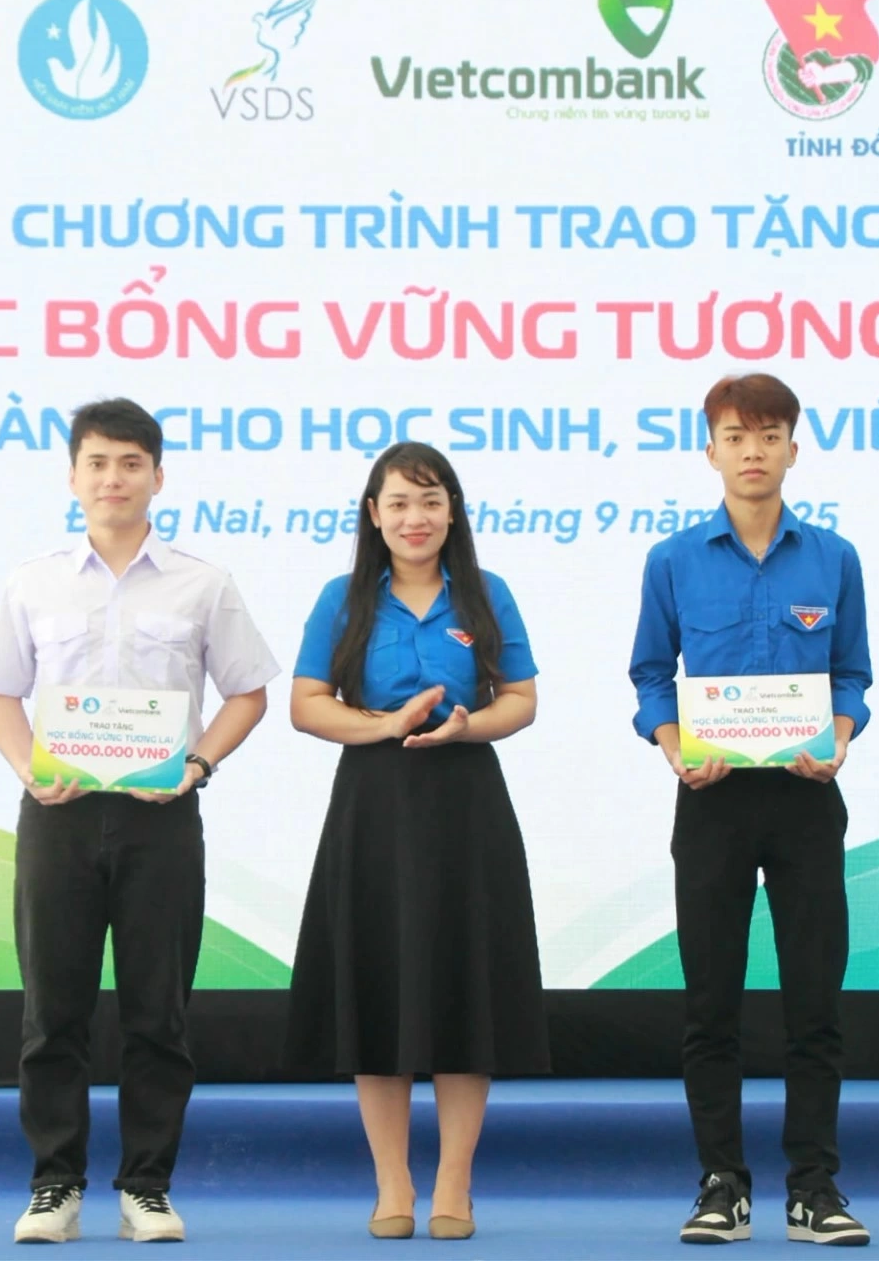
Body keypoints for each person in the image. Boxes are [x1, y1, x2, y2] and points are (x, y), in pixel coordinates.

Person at [0, 399, 280, 1245]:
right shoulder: (32, 580)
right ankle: (54, 1186)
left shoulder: (202, 581)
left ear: (157, 476)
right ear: (73, 476)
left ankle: (147, 1185)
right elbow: (0, 693)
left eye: (131, 464)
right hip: (59, 820)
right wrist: (31, 770)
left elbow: (249, 692)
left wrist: (197, 764)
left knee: (158, 1012)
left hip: (160, 822)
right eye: (98, 463)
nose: (114, 479)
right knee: (53, 1011)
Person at [628, 373, 874, 1247]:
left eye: (770, 437)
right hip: (714, 802)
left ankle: (814, 1188)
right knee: (711, 1004)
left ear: (794, 449)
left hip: (808, 798)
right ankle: (721, 1184)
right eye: (735, 437)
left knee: (815, 1002)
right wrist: (675, 747)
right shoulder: (674, 559)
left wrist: (839, 736)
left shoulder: (834, 557)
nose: (753, 452)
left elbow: (851, 673)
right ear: (711, 451)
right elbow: (652, 676)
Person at [284, 441, 551, 1242]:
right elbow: (305, 704)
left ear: (452, 512)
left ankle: (455, 1187)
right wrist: (385, 724)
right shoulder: (344, 597)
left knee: (465, 986)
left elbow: (524, 700)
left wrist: (471, 726)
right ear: (374, 514)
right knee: (379, 987)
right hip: (373, 803)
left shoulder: (485, 593)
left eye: (430, 501)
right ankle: (392, 1183)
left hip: (466, 801)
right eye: (398, 503)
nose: (414, 518)